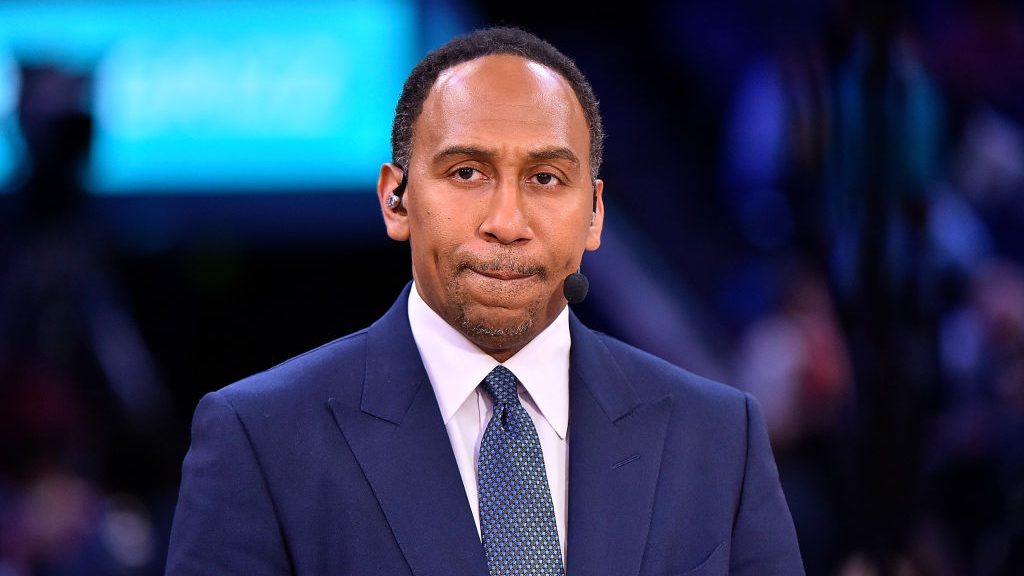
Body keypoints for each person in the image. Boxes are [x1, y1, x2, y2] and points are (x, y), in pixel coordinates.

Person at [165, 26, 804, 575]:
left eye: (545, 178)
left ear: (594, 214)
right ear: (396, 200)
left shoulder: (720, 438)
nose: (506, 221)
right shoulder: (260, 440)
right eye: (466, 173)